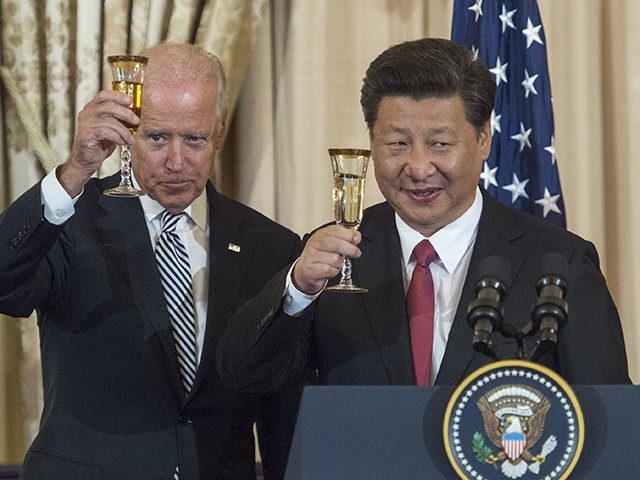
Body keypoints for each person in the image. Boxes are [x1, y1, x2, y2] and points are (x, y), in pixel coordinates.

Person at [217, 38, 630, 394]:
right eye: (397, 144)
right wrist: (297, 290)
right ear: (372, 143)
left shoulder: (559, 263)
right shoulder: (331, 259)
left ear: (483, 138)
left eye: (440, 144)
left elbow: (608, 419)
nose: (417, 167)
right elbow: (243, 377)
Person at [0, 43, 308, 479]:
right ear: (128, 130)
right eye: (157, 137)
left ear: (219, 131)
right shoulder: (70, 218)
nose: (176, 162)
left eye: (195, 140)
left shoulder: (271, 247)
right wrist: (73, 171)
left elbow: (281, 408)